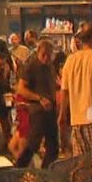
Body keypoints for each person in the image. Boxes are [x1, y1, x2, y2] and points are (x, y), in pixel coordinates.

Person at [59, 23, 92, 161]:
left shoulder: (70, 60)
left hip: (77, 123)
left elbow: (64, 91)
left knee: (81, 165)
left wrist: (62, 115)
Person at [15, 39, 60, 168]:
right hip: (38, 110)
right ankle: (19, 169)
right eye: (43, 54)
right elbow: (21, 88)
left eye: (49, 55)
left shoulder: (50, 67)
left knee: (53, 146)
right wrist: (39, 98)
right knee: (33, 144)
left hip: (50, 110)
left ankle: (46, 173)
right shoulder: (32, 66)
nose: (46, 58)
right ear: (38, 52)